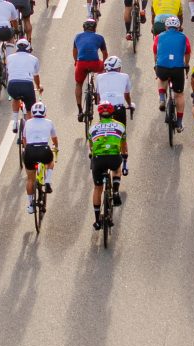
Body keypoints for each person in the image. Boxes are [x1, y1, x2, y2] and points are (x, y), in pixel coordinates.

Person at [88, 101, 127, 229]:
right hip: (113, 157)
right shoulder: (120, 126)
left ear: (99, 114)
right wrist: (125, 155)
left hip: (98, 159)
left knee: (97, 188)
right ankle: (115, 192)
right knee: (116, 168)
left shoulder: (92, 128)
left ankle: (97, 220)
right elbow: (123, 147)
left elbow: (91, 147)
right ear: (112, 113)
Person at [95, 56, 134, 175]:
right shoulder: (124, 76)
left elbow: (98, 97)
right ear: (118, 68)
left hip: (104, 109)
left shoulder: (99, 77)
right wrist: (129, 104)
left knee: (104, 132)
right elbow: (126, 94)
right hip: (118, 108)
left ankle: (104, 152)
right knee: (122, 135)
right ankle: (124, 163)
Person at [152, 16, 190, 132]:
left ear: (166, 27)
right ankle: (179, 123)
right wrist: (186, 64)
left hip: (162, 67)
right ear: (178, 27)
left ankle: (162, 98)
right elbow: (187, 52)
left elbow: (155, 51)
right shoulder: (184, 37)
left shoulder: (158, 37)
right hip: (177, 69)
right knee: (179, 95)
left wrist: (156, 64)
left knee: (161, 78)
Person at [22, 102, 59, 213]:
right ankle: (47, 181)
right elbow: (54, 139)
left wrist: (27, 149)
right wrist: (56, 147)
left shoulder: (28, 122)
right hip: (44, 150)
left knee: (30, 179)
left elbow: (24, 139)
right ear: (45, 113)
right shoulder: (49, 122)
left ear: (32, 112)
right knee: (50, 162)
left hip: (30, 151)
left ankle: (30, 205)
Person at [73, 19, 108, 122]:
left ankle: (80, 110)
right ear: (95, 28)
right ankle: (98, 93)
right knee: (103, 74)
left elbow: (75, 52)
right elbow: (105, 54)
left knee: (78, 84)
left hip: (81, 63)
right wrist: (105, 66)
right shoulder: (99, 37)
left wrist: (76, 61)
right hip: (94, 63)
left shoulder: (77, 37)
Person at [7, 38, 42, 131]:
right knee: (30, 109)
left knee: (15, 98)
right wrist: (39, 87)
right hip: (27, 85)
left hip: (12, 85)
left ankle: (15, 122)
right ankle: (29, 128)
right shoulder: (34, 59)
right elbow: (36, 76)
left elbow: (9, 71)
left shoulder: (9, 57)